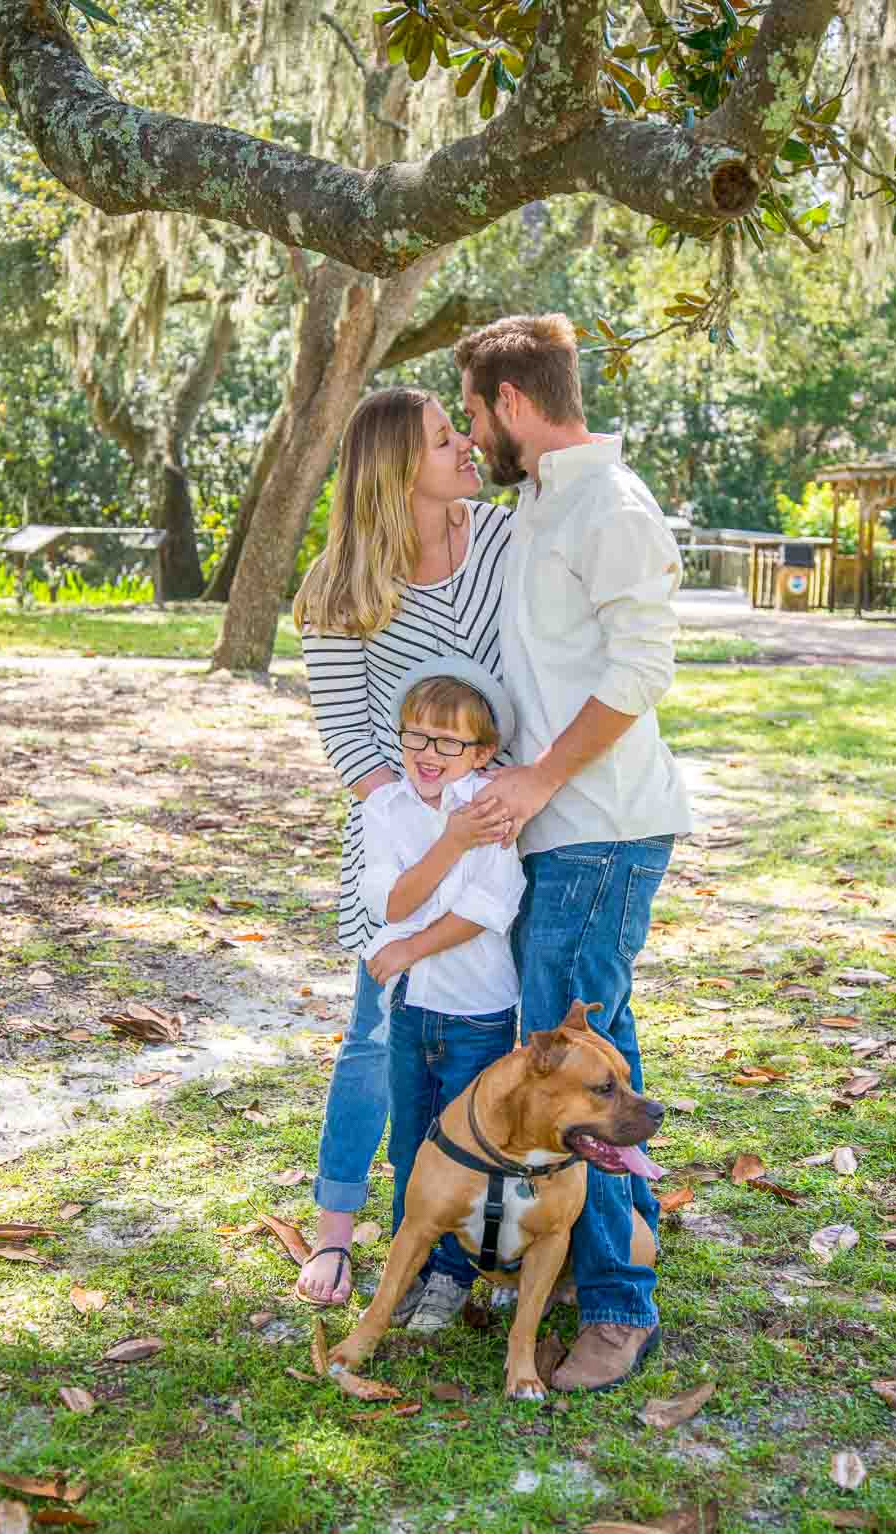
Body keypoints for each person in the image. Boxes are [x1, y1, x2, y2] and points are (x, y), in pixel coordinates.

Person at [454, 313, 693, 1391]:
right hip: (561, 832)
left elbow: (641, 670)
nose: (472, 432)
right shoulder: (542, 501)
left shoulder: (613, 506)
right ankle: (609, 1251)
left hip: (600, 832)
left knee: (576, 1087)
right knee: (598, 1064)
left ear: (510, 401)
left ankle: (616, 1310)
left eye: (472, 410)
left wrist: (542, 777)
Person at [293, 386, 514, 1312]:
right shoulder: (342, 583)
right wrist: (422, 832)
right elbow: (349, 737)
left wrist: (489, 808)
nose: (465, 444)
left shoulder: (504, 539)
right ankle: (338, 1236)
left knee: (487, 1039)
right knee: (376, 1042)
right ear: (396, 470)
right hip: (399, 843)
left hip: (507, 824)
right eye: (440, 438)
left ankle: (475, 1241)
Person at [360, 662, 525, 1331]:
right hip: (411, 1010)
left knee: (469, 1150)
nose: (428, 754)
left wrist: (407, 947)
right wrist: (452, 840)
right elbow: (395, 897)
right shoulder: (385, 806)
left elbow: (487, 911)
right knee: (409, 1147)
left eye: (448, 742)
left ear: (482, 753)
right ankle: (409, 1267)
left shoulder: (493, 806)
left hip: (477, 1011)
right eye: (416, 737)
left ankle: (455, 1277)